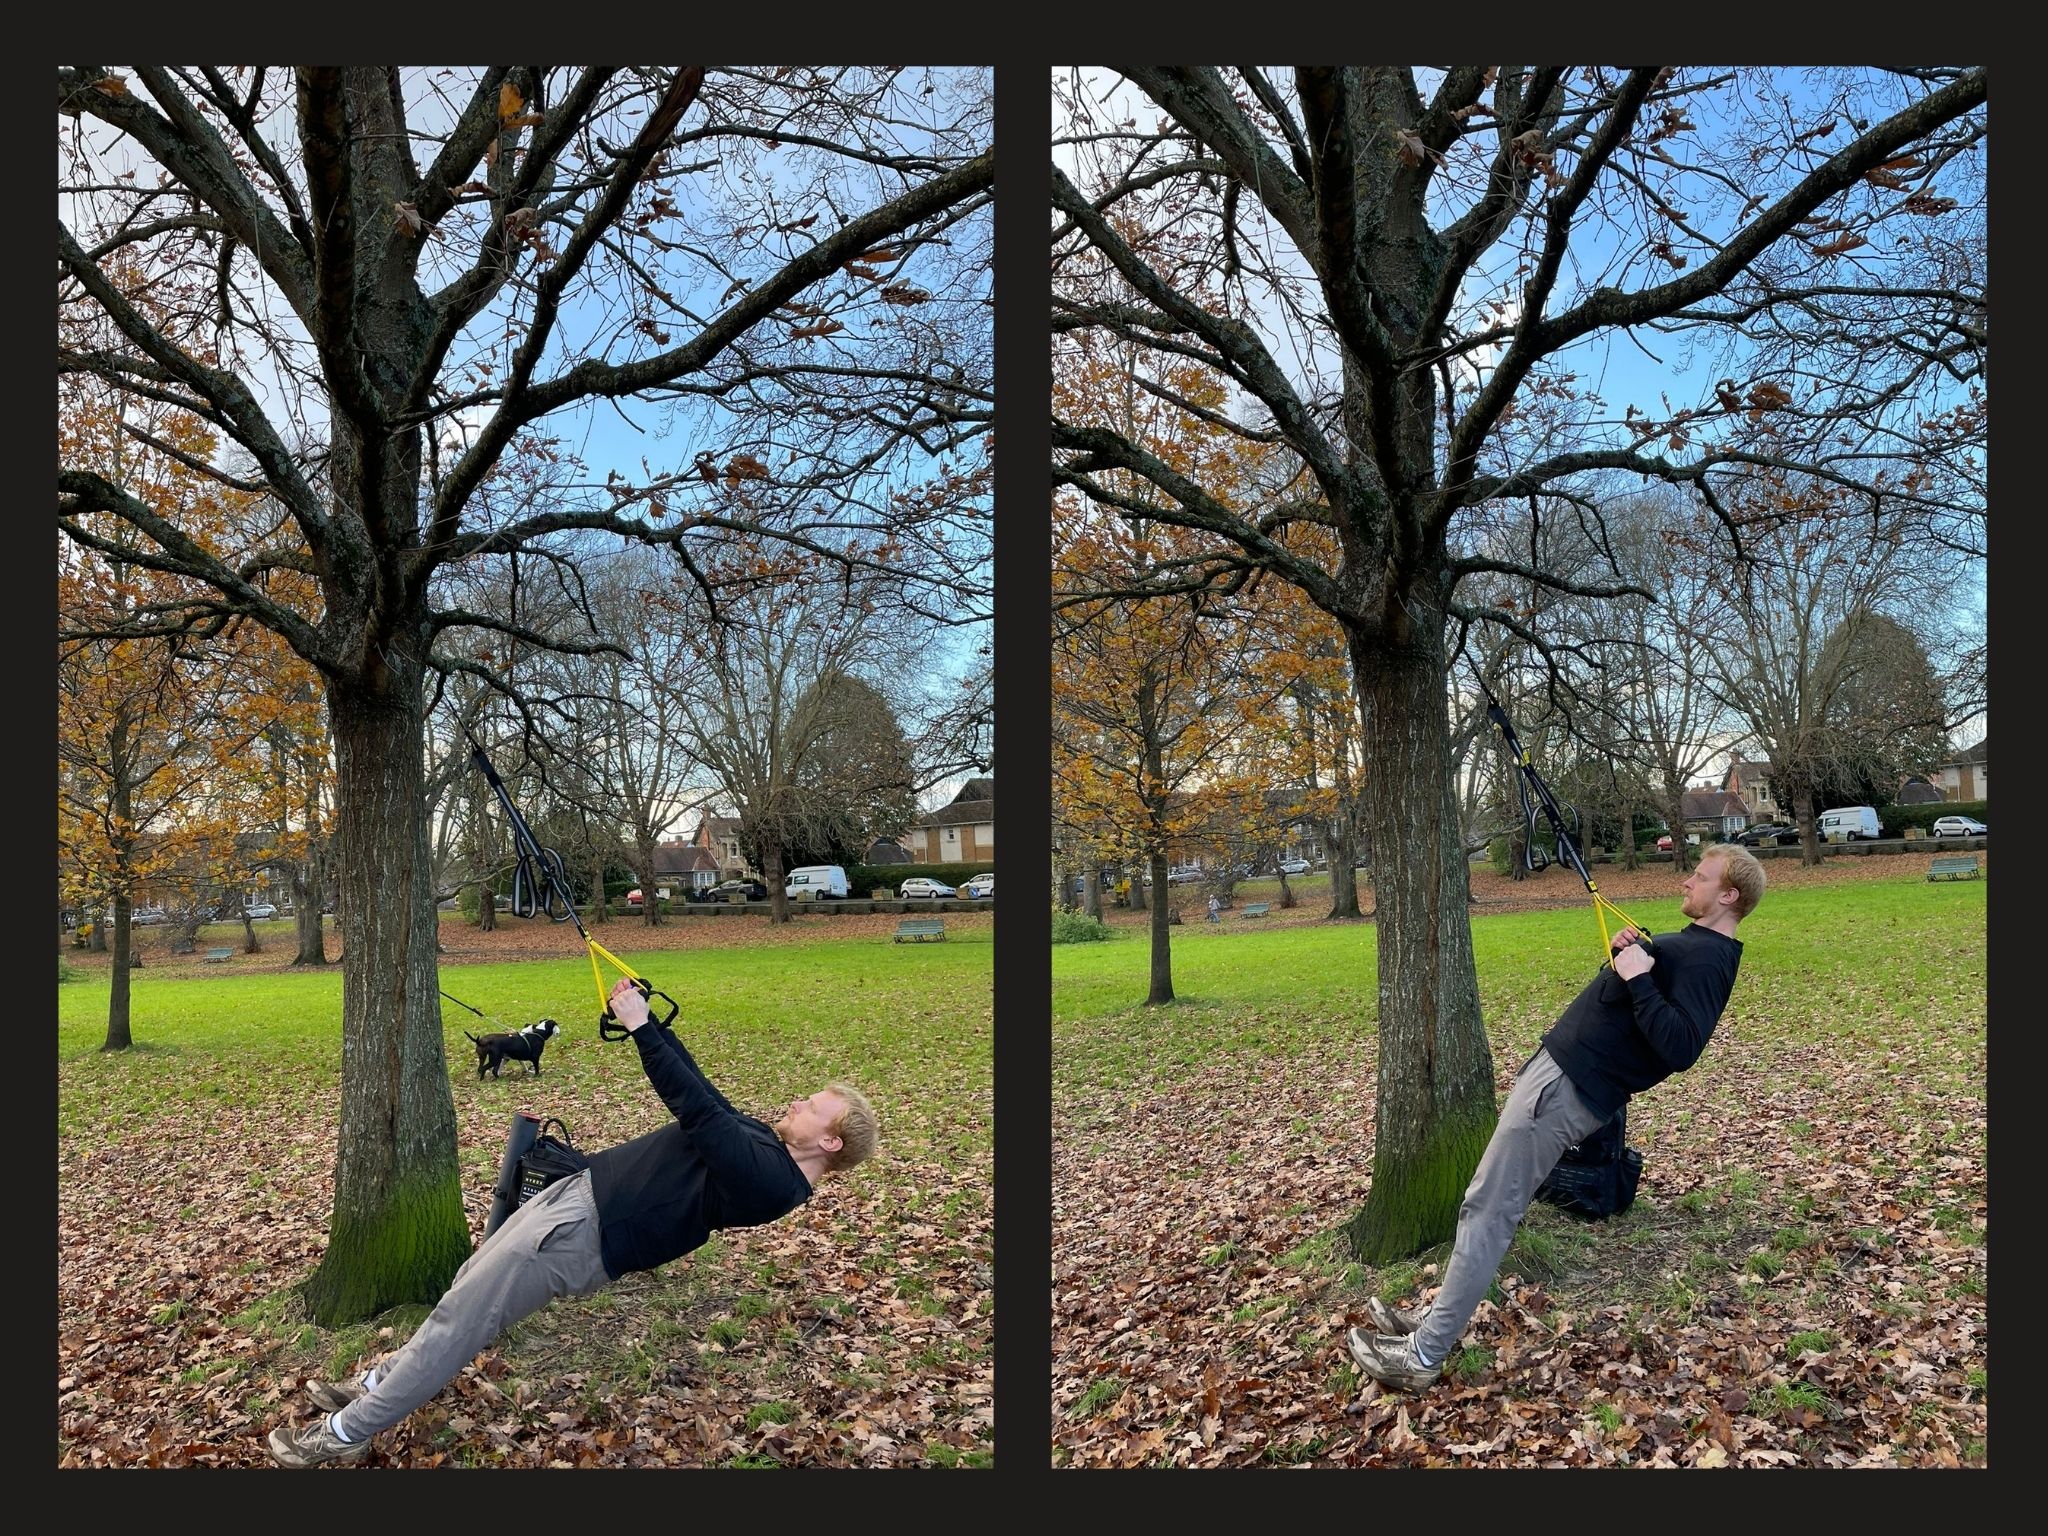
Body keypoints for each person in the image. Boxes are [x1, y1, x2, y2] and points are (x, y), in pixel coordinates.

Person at [268, 976, 878, 1466]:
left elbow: (698, 1113)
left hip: (582, 1236)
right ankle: (380, 1382)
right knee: (463, 1288)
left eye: (813, 1108)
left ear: (828, 1144)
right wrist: (650, 1020)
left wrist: (641, 1029)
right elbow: (709, 1093)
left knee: (463, 1321)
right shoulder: (770, 1144)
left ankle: (347, 1433)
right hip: (578, 1196)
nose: (797, 1103)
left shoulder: (774, 1182)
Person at [1347, 845, 1765, 1392]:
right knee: (1485, 1203)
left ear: (1728, 895)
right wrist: (1630, 958)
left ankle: (1424, 1354)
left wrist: (1638, 976)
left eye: (1700, 876)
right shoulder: (1698, 947)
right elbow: (1647, 1008)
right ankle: (1431, 1325)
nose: (1687, 881)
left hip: (1565, 1091)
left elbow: (1682, 1045)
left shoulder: (1713, 958)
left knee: (1489, 1208)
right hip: (1558, 1080)